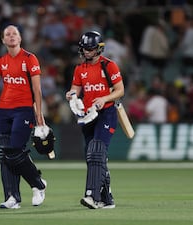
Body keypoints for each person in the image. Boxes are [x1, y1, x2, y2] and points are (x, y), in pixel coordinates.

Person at [0, 25, 47, 209]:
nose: (11, 36)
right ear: (3, 40)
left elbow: (37, 88)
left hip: (24, 110)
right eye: (8, 34)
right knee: (4, 154)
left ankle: (37, 184)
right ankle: (12, 198)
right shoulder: (0, 61)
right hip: (4, 110)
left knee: (13, 151)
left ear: (20, 38)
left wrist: (38, 112)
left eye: (15, 33)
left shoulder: (30, 58)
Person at [66, 31, 124, 209]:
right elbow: (75, 89)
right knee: (93, 157)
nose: (86, 52)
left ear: (99, 49)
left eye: (90, 49)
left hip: (106, 113)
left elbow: (120, 90)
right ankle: (107, 199)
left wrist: (104, 99)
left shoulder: (109, 66)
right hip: (87, 115)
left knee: (96, 151)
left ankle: (91, 196)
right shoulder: (79, 69)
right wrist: (71, 95)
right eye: (84, 49)